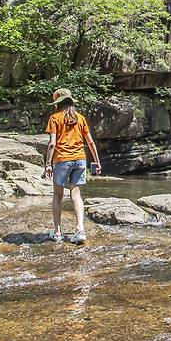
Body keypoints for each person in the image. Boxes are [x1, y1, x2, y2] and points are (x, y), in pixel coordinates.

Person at [45, 88, 101, 243]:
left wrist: (48, 164)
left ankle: (57, 233)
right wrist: (96, 161)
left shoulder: (55, 118)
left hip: (61, 159)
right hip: (80, 159)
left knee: (58, 195)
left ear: (58, 103)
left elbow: (52, 144)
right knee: (76, 194)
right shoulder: (80, 118)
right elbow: (90, 141)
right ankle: (80, 230)